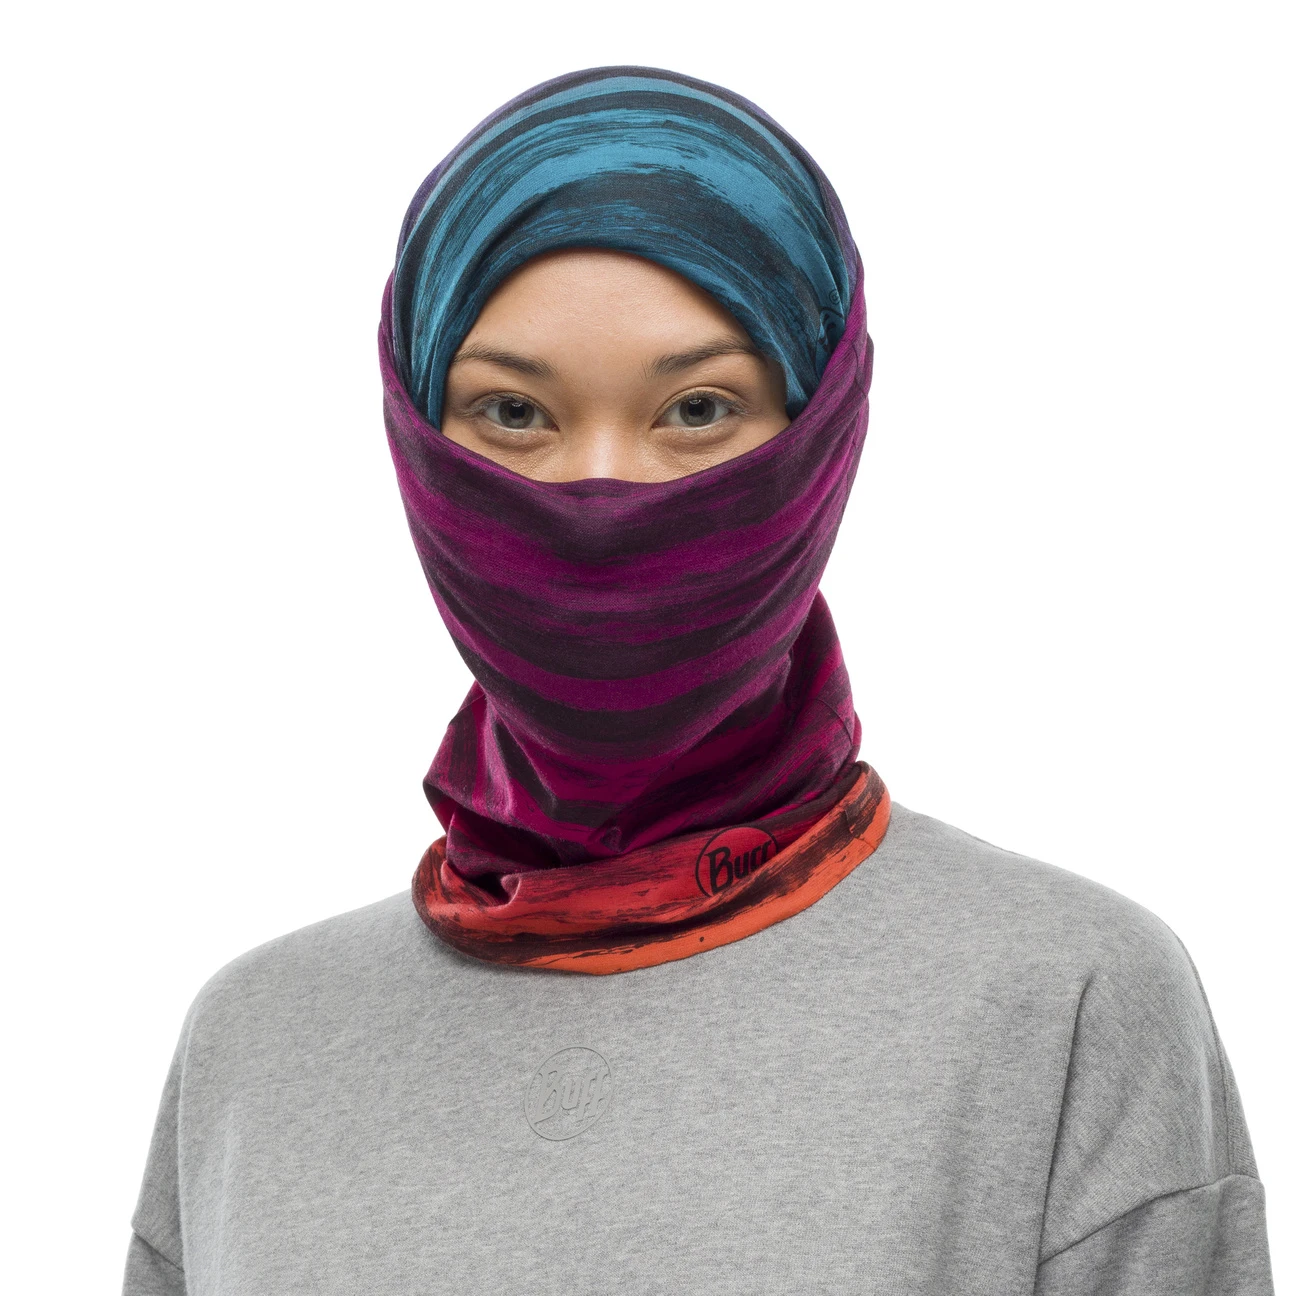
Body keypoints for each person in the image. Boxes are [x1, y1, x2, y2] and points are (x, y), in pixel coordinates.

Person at [122, 66, 1275, 1294]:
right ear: (419, 443)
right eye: (513, 411)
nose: (602, 492)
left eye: (698, 408)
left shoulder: (1069, 1005)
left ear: (820, 436)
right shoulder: (253, 1050)